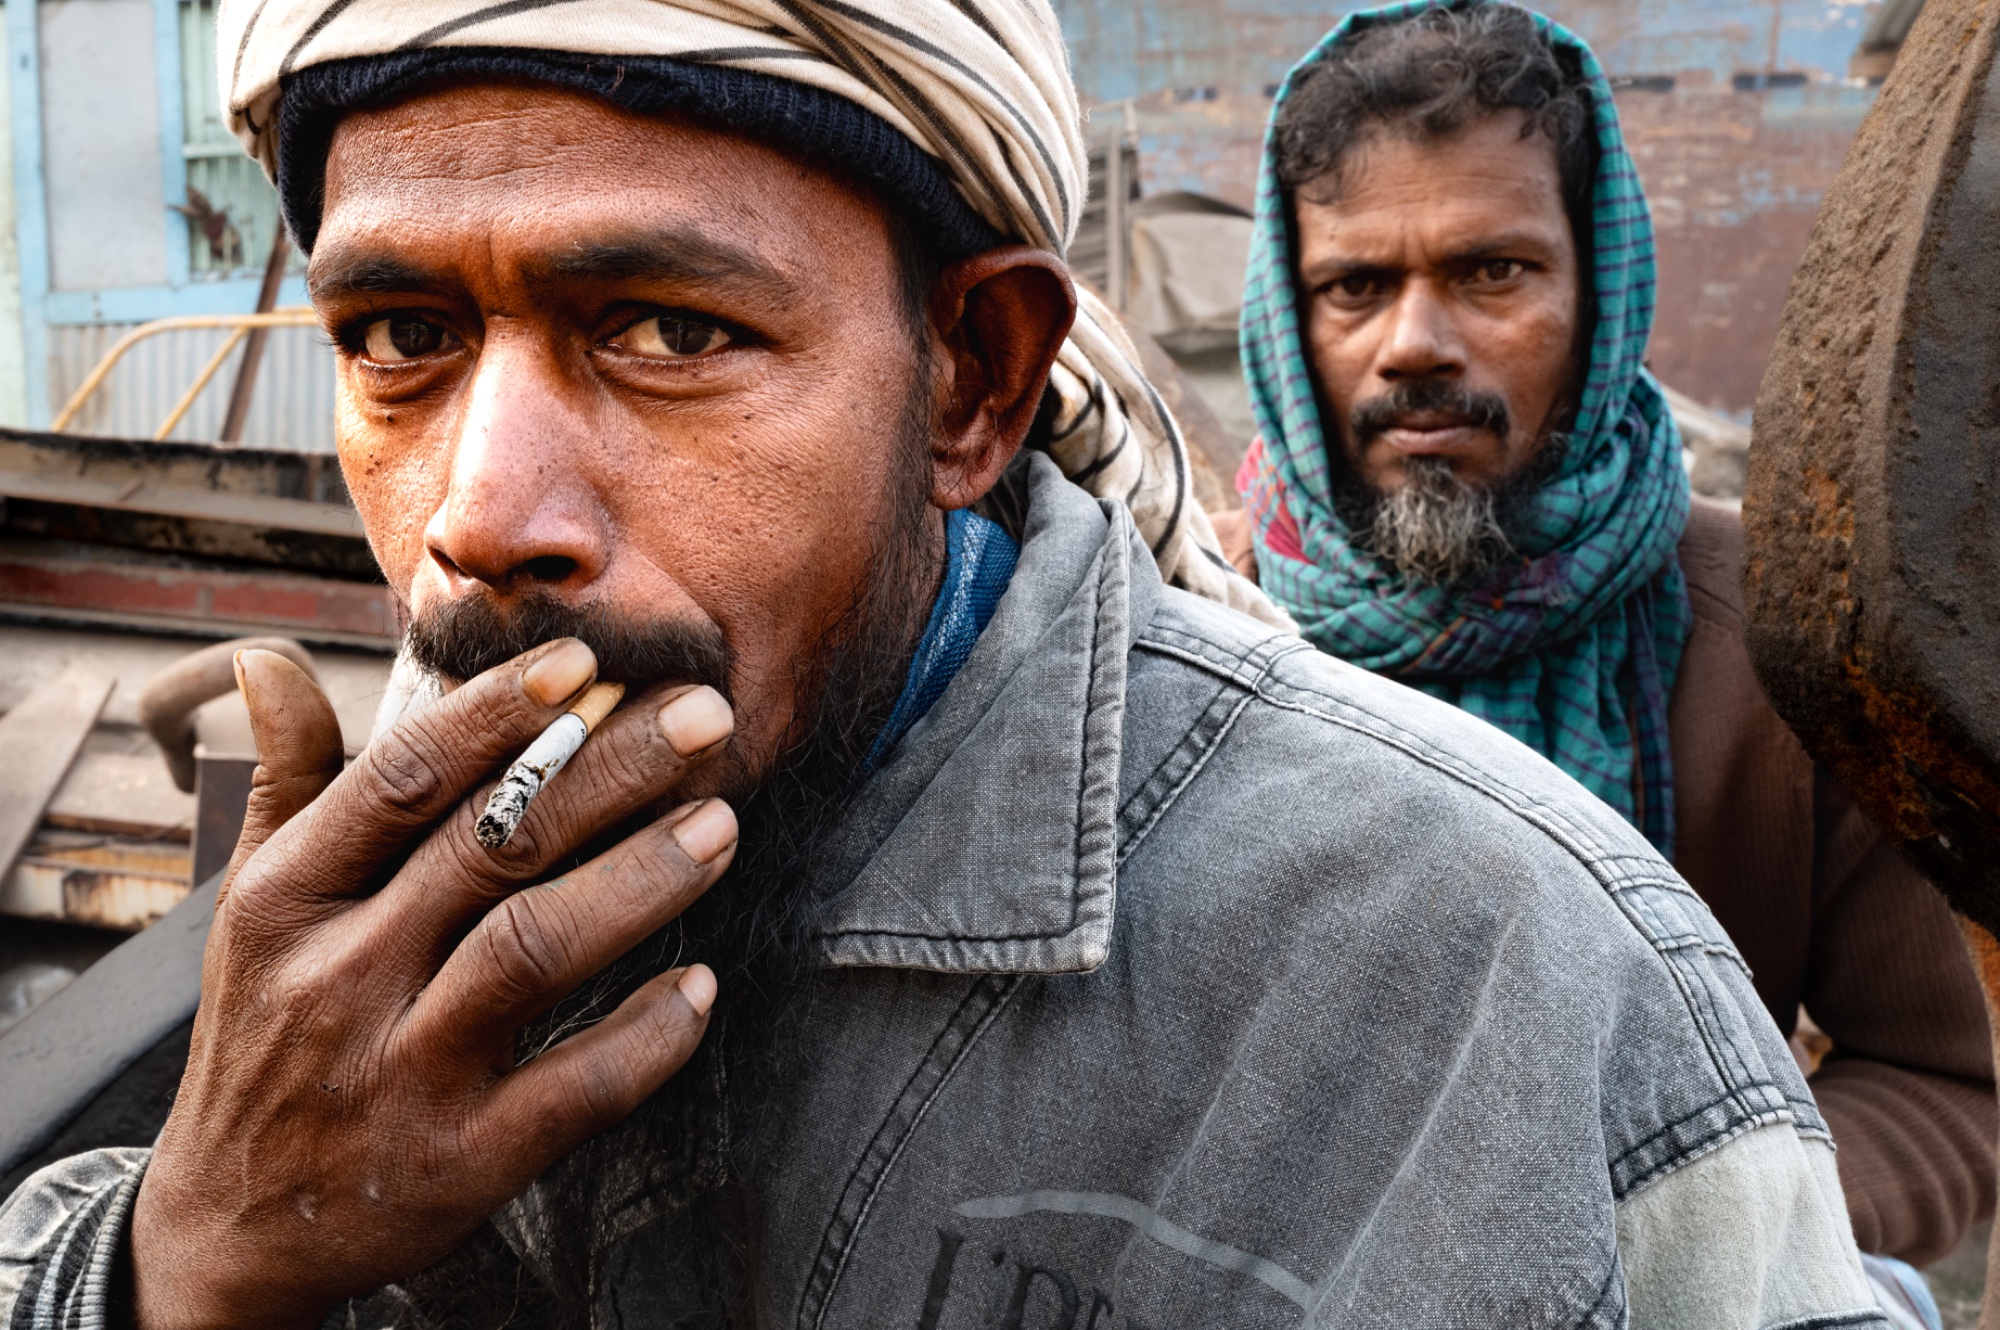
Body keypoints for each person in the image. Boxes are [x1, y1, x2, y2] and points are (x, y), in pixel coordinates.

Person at [0, 2, 1888, 1327]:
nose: (481, 515)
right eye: (401, 335)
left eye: (664, 327)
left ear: (973, 380)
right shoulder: (354, 894)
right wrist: (181, 1263)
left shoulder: (1509, 975)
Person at [1211, 0, 1997, 1275]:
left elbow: (1936, 1086)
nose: (1415, 343)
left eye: (1489, 271)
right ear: (1284, 318)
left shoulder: (1782, 639)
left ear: (1597, 283)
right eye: (1355, 285)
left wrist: (1649, 1230)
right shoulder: (1196, 630)